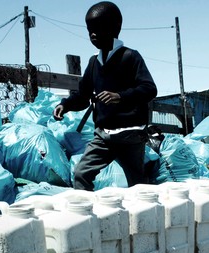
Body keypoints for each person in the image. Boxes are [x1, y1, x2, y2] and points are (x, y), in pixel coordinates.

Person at [52, 1, 157, 191]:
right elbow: (83, 96)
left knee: (138, 185)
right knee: (81, 173)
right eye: (89, 29)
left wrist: (120, 96)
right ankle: (85, 215)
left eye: (98, 28)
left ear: (115, 27)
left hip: (130, 134)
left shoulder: (130, 57)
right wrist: (65, 105)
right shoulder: (94, 63)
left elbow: (149, 88)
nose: (92, 34)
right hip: (103, 136)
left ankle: (143, 217)